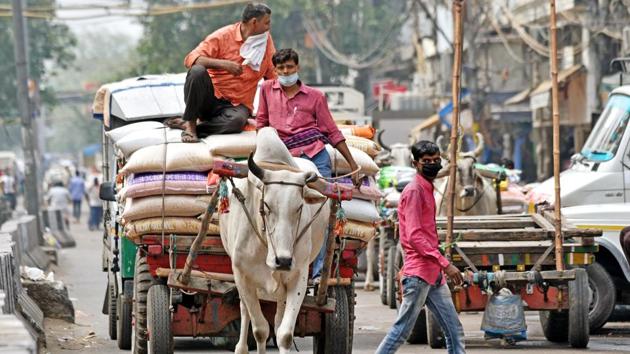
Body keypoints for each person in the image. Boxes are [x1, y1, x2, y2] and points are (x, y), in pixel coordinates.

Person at [256, 48, 360, 283]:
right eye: (281, 68)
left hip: (313, 157)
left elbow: (331, 132)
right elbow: (261, 123)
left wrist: (353, 165)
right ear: (275, 70)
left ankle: (316, 271)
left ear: (297, 68)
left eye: (289, 67)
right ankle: (269, 262)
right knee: (271, 209)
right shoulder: (265, 90)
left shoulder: (315, 96)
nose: (285, 72)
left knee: (320, 213)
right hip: (281, 159)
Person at [376, 141, 466, 354]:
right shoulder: (415, 190)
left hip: (433, 274)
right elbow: (415, 236)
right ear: (415, 163)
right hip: (419, 275)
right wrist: (446, 264)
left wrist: (440, 264)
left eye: (436, 160)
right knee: (401, 331)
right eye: (427, 161)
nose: (433, 164)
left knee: (454, 331)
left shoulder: (427, 188)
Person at [170, 3, 277, 142]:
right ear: (254, 22)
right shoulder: (223, 36)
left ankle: (197, 128)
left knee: (237, 121)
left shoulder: (266, 41)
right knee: (197, 71)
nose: (269, 27)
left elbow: (273, 77)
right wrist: (224, 64)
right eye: (267, 23)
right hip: (210, 99)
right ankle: (190, 125)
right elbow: (190, 59)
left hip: (237, 107)